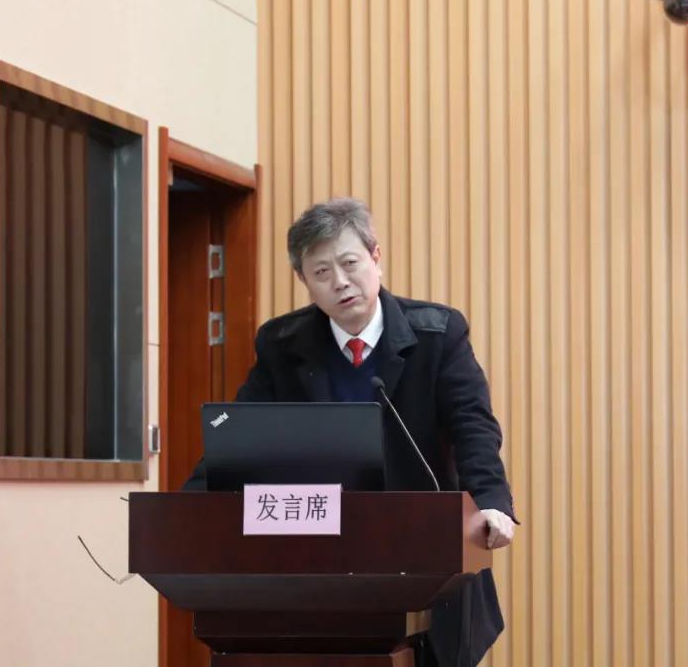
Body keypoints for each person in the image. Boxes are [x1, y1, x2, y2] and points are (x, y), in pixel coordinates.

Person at [184, 198, 518, 667]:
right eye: (321, 272)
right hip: (319, 562)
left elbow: (473, 425)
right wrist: (188, 508)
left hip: (425, 553)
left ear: (376, 257)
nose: (340, 282)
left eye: (350, 263)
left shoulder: (437, 334)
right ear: (304, 281)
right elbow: (241, 433)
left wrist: (490, 501)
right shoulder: (282, 345)